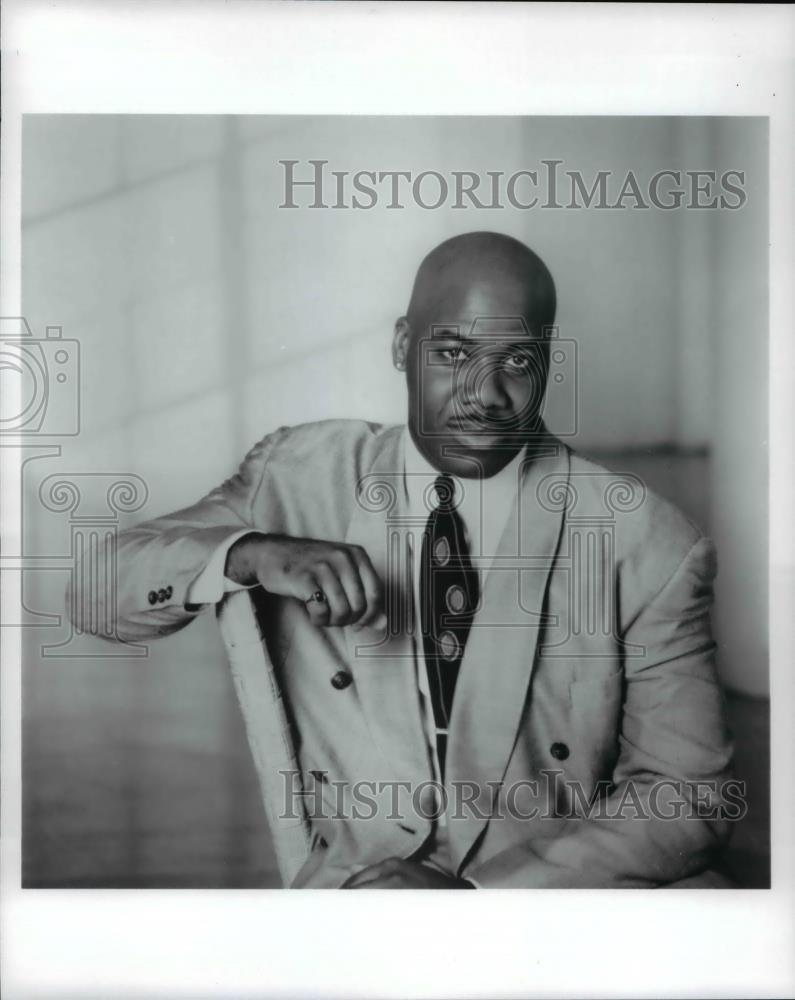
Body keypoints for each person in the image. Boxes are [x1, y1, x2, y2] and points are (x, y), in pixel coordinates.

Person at [69, 231, 736, 888]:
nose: (485, 394)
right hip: (360, 898)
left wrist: (479, 901)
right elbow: (96, 592)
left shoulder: (647, 542)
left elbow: (688, 797)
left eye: (517, 362)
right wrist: (247, 553)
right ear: (400, 346)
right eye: (452, 352)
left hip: (546, 907)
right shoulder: (298, 477)